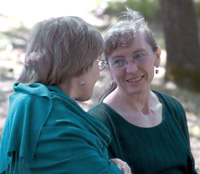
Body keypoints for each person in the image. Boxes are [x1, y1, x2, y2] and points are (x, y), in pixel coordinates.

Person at [0, 16, 132, 174]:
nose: (100, 70)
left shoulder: (27, 105)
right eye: (99, 63)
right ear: (80, 66)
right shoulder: (63, 127)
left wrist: (107, 163)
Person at [88, 8, 198, 174]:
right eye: (119, 61)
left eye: (139, 55)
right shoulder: (97, 124)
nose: (131, 69)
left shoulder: (173, 109)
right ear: (109, 69)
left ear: (157, 56)